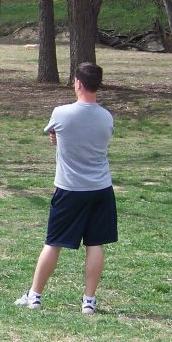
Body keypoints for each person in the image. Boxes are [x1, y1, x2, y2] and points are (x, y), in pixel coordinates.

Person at [16, 62, 116, 314]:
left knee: (53, 242)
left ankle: (35, 296)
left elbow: (54, 132)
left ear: (78, 83)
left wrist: (57, 138)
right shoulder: (106, 116)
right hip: (101, 189)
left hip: (69, 189)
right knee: (95, 244)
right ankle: (89, 302)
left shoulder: (60, 113)